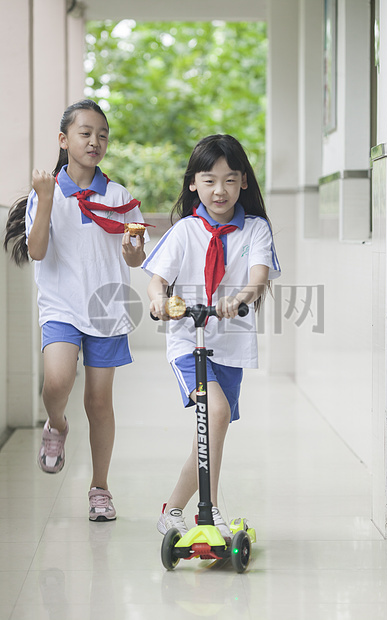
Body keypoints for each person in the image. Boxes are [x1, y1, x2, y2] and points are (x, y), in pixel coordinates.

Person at [3, 99, 148, 521]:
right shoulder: (45, 192)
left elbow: (136, 259)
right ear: (64, 141)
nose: (95, 141)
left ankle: (100, 488)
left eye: (102, 135)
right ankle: (57, 426)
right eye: (85, 133)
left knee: (100, 403)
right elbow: (37, 249)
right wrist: (46, 197)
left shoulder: (120, 196)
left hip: (106, 309)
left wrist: (133, 250)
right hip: (62, 306)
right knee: (57, 383)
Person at [143, 134, 281, 539]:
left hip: (232, 346)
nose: (219, 190)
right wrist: (158, 302)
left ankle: (172, 510)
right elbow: (157, 282)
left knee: (209, 430)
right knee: (215, 415)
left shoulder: (255, 229)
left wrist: (238, 298)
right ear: (193, 184)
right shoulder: (185, 231)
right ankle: (211, 511)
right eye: (209, 180)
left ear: (243, 183)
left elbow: (258, 279)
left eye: (230, 179)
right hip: (189, 341)